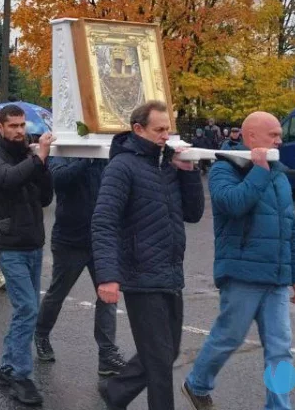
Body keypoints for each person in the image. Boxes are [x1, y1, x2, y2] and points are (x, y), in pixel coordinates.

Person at [182, 112, 295, 410]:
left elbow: (290, 226)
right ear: (251, 137)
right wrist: (260, 170)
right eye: (274, 134)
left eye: (280, 135)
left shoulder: (278, 173)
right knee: (229, 337)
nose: (280, 140)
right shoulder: (223, 169)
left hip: (276, 278)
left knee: (280, 349)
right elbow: (233, 205)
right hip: (242, 273)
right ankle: (197, 383)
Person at [93, 100, 205, 410]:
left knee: (166, 353)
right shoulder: (122, 167)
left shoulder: (167, 165)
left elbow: (193, 214)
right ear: (138, 129)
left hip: (170, 274)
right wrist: (108, 276)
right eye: (159, 129)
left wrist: (188, 172)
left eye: (168, 129)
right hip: (139, 275)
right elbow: (104, 222)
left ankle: (115, 391)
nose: (166, 136)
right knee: (159, 365)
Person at [0, 105, 54, 407]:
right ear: (0, 126)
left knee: (27, 308)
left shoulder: (28, 156)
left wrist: (43, 164)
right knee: (26, 309)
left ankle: (7, 368)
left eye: (22, 125)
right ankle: (21, 377)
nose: (19, 131)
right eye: (13, 126)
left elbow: (46, 197)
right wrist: (37, 158)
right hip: (8, 242)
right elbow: (9, 179)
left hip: (32, 240)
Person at [34, 156, 127, 377]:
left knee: (108, 296)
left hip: (101, 240)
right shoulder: (64, 152)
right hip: (70, 240)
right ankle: (41, 334)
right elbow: (59, 180)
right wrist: (86, 157)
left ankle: (106, 353)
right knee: (58, 292)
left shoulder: (106, 156)